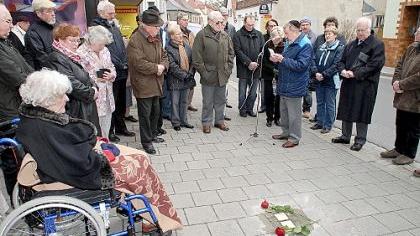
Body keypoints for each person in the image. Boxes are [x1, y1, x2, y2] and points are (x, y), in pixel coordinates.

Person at [15, 69, 182, 233]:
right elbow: (83, 162)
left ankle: (139, 209)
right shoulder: (45, 128)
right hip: (82, 172)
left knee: (139, 156)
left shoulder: (33, 118)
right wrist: (103, 155)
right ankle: (152, 218)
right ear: (48, 99)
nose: (67, 99)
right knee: (140, 162)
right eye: (62, 96)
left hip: (69, 164)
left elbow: (70, 150)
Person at [332, 17, 385, 151]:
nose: (360, 33)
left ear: (369, 29)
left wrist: (355, 73)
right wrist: (343, 70)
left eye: (363, 30)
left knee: (362, 112)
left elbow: (375, 65)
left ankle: (360, 139)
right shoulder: (351, 44)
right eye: (358, 30)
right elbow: (341, 61)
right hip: (349, 83)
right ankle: (345, 135)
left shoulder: (377, 45)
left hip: (365, 86)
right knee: (346, 109)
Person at [0, 3, 33, 202]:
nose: (11, 24)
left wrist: (35, 76)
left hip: (16, 107)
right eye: (6, 21)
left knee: (21, 159)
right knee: (13, 161)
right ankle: (20, 205)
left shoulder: (6, 42)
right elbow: (16, 76)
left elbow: (25, 67)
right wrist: (34, 81)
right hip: (7, 113)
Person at [92, 0, 135, 142]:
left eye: (113, 12)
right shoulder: (96, 28)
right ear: (101, 13)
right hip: (110, 71)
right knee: (111, 102)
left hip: (121, 70)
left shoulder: (114, 26)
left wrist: (125, 62)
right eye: (111, 13)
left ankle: (121, 127)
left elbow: (121, 48)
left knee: (121, 101)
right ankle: (109, 132)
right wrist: (120, 63)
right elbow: (106, 51)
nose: (113, 14)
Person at [47, 23, 101, 135]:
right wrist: (91, 92)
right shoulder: (56, 57)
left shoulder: (70, 56)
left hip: (84, 105)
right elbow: (70, 83)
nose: (76, 44)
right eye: (72, 40)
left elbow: (85, 75)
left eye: (78, 40)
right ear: (60, 40)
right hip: (75, 108)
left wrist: (94, 87)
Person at [127, 9, 168, 155]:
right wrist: (156, 67)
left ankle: (152, 135)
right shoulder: (135, 40)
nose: (158, 29)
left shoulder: (155, 37)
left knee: (155, 112)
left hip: (156, 82)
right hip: (143, 84)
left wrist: (163, 66)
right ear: (146, 26)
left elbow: (164, 54)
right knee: (145, 114)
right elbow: (138, 63)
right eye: (156, 26)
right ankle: (146, 142)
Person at [270, 20, 312, 148]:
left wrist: (282, 59)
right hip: (284, 82)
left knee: (294, 114)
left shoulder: (305, 44)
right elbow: (285, 60)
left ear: (294, 31)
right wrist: (276, 59)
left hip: (295, 84)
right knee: (284, 111)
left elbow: (301, 65)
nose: (285, 36)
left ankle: (294, 138)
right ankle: (286, 132)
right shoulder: (290, 42)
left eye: (287, 33)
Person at [381, 27, 420, 166]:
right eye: (417, 31)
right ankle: (399, 149)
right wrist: (395, 82)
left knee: (413, 128)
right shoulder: (412, 48)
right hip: (402, 96)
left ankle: (409, 154)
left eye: (419, 32)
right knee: (401, 123)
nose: (416, 34)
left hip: (416, 99)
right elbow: (399, 65)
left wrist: (402, 84)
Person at [192, 11, 234, 134]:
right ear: (210, 22)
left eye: (222, 22)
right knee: (208, 101)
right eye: (218, 22)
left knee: (221, 100)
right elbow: (196, 57)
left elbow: (231, 54)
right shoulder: (201, 35)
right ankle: (206, 123)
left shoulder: (225, 35)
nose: (221, 24)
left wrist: (228, 69)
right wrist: (204, 73)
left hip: (222, 75)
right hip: (208, 75)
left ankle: (219, 121)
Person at [77, 25, 116, 139]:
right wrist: (96, 79)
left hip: (108, 95)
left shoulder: (105, 50)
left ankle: (106, 144)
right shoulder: (81, 53)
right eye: (100, 44)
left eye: (104, 44)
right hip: (95, 98)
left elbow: (111, 66)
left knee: (106, 125)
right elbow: (81, 76)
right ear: (92, 41)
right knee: (95, 128)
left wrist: (112, 74)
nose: (103, 47)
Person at [310, 26, 344, 134]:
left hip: (331, 80)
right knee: (320, 102)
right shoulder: (321, 47)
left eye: (330, 34)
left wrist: (324, 74)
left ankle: (328, 124)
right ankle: (320, 121)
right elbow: (313, 60)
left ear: (335, 35)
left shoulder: (339, 48)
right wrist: (316, 72)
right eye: (326, 34)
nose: (327, 36)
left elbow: (336, 64)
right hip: (319, 79)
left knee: (330, 103)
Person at [233, 15, 265, 117]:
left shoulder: (259, 35)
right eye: (248, 24)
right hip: (243, 67)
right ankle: (242, 109)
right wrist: (248, 63)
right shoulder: (238, 35)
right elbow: (237, 51)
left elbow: (263, 51)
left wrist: (256, 63)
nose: (250, 27)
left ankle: (250, 109)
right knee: (242, 92)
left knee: (252, 92)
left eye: (252, 25)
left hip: (256, 68)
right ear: (244, 23)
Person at [166, 24, 195, 131]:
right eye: (178, 34)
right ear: (172, 36)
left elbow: (192, 60)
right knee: (175, 102)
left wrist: (190, 73)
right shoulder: (168, 48)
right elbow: (172, 66)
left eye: (180, 33)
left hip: (187, 78)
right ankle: (176, 122)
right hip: (175, 80)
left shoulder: (186, 45)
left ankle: (184, 121)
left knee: (184, 101)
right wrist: (184, 75)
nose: (181, 35)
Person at [262, 23, 283, 127]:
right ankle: (269, 118)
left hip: (280, 76)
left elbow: (284, 60)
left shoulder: (284, 45)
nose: (277, 40)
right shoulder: (267, 45)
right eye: (275, 38)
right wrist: (272, 69)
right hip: (268, 75)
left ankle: (277, 118)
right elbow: (264, 60)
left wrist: (278, 69)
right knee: (269, 96)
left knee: (278, 97)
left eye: (279, 38)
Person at [24, 0, 56, 69]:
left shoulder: (52, 26)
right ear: (38, 13)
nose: (53, 14)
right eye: (49, 11)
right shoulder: (33, 33)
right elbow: (43, 59)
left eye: (53, 10)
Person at [177, 12, 197, 113]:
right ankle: (181, 104)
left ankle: (188, 103)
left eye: (187, 20)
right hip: (181, 62)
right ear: (179, 20)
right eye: (184, 20)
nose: (186, 22)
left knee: (191, 83)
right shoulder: (176, 32)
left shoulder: (190, 33)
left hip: (191, 62)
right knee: (182, 84)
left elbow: (195, 47)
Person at [300, 17, 317, 119]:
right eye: (303, 25)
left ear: (310, 25)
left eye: (306, 24)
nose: (305, 26)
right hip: (299, 64)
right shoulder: (299, 35)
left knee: (307, 90)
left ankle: (306, 109)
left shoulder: (313, 37)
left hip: (308, 66)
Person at [219, 7, 235, 119]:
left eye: (226, 15)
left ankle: (224, 103)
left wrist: (231, 58)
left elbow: (233, 44)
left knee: (226, 84)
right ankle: (219, 109)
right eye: (222, 14)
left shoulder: (231, 28)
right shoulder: (215, 27)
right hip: (217, 62)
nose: (224, 16)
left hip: (227, 61)